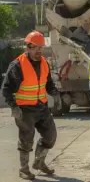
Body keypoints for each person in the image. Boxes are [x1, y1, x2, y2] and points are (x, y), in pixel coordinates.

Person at [1, 31, 59, 180]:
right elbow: (6, 89)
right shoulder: (18, 65)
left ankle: (39, 162)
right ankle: (24, 169)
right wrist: (14, 106)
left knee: (50, 136)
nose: (40, 51)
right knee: (26, 139)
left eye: (41, 47)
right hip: (24, 109)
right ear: (28, 47)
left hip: (42, 107)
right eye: (36, 48)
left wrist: (54, 92)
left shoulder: (44, 62)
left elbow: (48, 83)